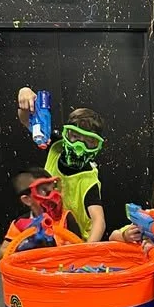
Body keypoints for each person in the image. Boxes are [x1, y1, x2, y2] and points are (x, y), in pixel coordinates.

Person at [17, 88, 106, 244]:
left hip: (75, 241)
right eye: (75, 136)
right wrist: (25, 96)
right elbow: (26, 120)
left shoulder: (88, 181)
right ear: (67, 135)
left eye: (88, 141)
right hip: (49, 232)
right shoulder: (55, 146)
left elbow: (99, 221)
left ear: (96, 146)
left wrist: (84, 251)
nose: (79, 147)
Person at [0, 169, 81, 260]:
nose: (53, 195)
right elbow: (2, 254)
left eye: (53, 188)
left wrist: (67, 248)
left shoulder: (65, 218)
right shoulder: (21, 223)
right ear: (27, 200)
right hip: (31, 267)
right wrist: (22, 246)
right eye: (44, 191)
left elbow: (81, 248)